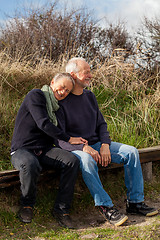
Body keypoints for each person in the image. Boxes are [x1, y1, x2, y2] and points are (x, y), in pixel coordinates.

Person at [56, 57, 158, 227]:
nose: (91, 75)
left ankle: (135, 203)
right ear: (73, 75)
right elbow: (59, 139)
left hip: (97, 144)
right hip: (75, 149)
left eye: (90, 71)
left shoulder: (90, 96)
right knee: (88, 161)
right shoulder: (61, 101)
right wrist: (84, 147)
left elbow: (101, 124)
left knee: (131, 152)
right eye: (86, 72)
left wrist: (105, 145)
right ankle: (105, 206)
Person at [11, 73, 87, 228]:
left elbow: (57, 135)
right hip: (23, 150)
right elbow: (43, 124)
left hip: (44, 150)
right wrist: (68, 138)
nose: (63, 92)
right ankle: (27, 205)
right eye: (62, 87)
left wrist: (80, 144)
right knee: (30, 164)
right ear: (53, 82)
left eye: (67, 91)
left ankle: (61, 209)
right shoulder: (36, 95)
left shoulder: (57, 109)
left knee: (71, 161)